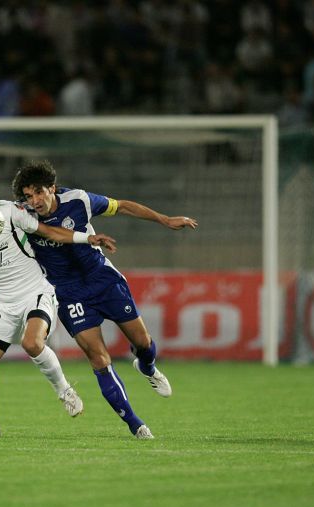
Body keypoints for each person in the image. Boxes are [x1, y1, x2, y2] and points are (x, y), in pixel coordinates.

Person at [12, 160, 198, 439]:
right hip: (68, 293)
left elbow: (122, 206)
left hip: (103, 279)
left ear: (52, 187)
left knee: (143, 343)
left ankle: (146, 366)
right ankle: (136, 425)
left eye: (39, 192)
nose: (34, 201)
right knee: (99, 358)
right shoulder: (22, 216)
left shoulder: (79, 200)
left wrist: (165, 219)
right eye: (28, 196)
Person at [0, 165, 117, 438]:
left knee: (32, 343)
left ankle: (64, 391)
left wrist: (86, 237)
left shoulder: (9, 212)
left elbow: (47, 231)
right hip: (5, 304)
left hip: (37, 292)